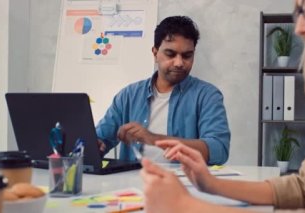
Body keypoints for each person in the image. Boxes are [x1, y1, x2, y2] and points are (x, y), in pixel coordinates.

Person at [140, 0, 305, 212]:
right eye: (299, 12)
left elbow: (218, 147)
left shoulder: (207, 94)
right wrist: (211, 184)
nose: (299, 28)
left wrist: (185, 205)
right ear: (155, 53)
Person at [95, 16, 230, 165]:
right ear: (155, 53)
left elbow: (219, 150)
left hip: (184, 185)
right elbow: (100, 138)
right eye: (170, 54)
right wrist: (94, 145)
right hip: (133, 182)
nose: (179, 63)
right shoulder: (128, 96)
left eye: (187, 56)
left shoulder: (207, 95)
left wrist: (154, 138)